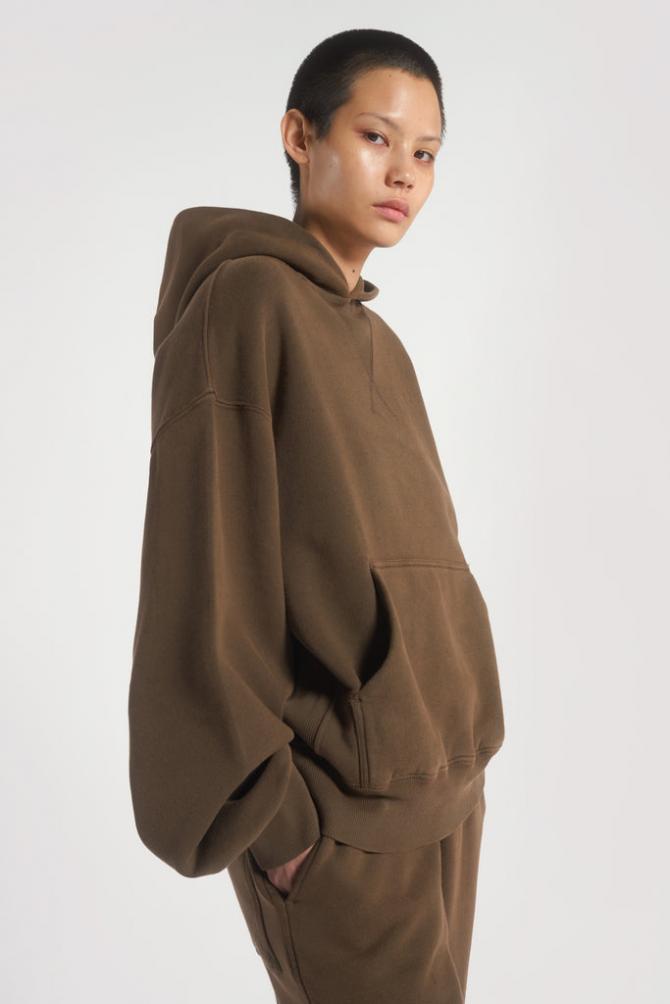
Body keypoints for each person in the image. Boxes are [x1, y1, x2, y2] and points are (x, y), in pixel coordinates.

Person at [128, 27, 505, 1004]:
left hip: (442, 803)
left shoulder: (378, 340)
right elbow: (205, 567)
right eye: (377, 137)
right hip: (336, 826)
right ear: (301, 136)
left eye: (426, 152)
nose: (405, 172)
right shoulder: (246, 301)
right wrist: (279, 826)